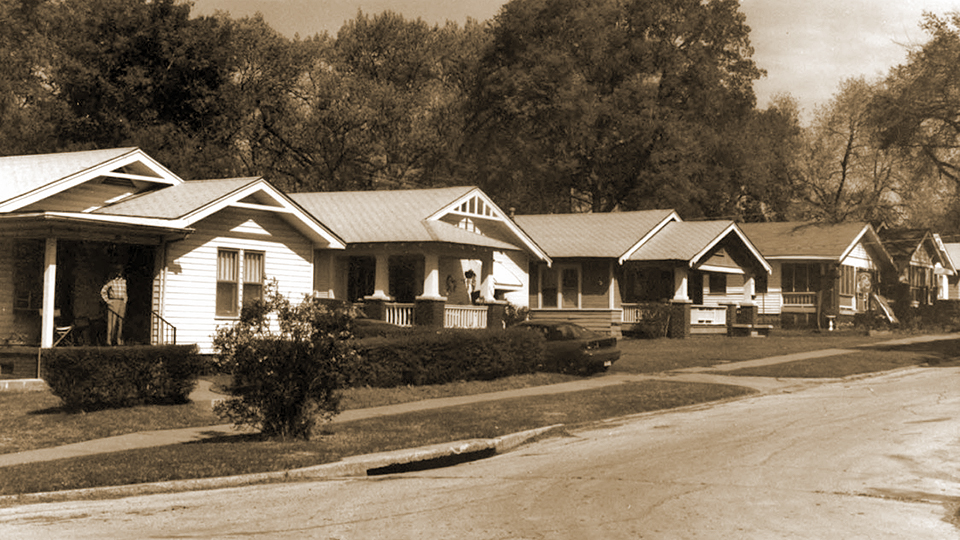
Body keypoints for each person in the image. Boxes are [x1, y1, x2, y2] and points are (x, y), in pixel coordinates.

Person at [100, 266, 127, 345]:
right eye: (118, 272)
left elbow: (125, 292)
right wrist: (108, 301)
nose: (119, 273)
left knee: (121, 322)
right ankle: (109, 340)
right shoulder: (112, 282)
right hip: (114, 301)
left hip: (121, 302)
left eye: (121, 272)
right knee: (112, 322)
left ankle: (119, 339)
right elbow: (103, 291)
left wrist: (125, 300)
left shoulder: (124, 281)